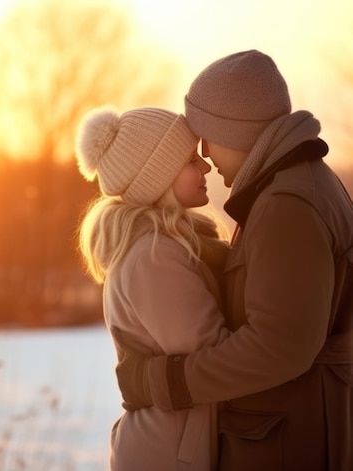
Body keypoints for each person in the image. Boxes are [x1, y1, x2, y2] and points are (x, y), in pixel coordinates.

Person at [114, 50, 353, 471]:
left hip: (286, 439)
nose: (205, 152)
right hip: (289, 428)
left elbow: (279, 346)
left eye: (206, 135)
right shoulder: (291, 189)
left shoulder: (288, 203)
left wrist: (159, 381)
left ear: (235, 132)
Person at [75, 105, 231, 470]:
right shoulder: (154, 256)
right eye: (191, 159)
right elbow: (215, 356)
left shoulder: (164, 247)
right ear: (158, 176)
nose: (205, 167)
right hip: (169, 453)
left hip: (176, 444)